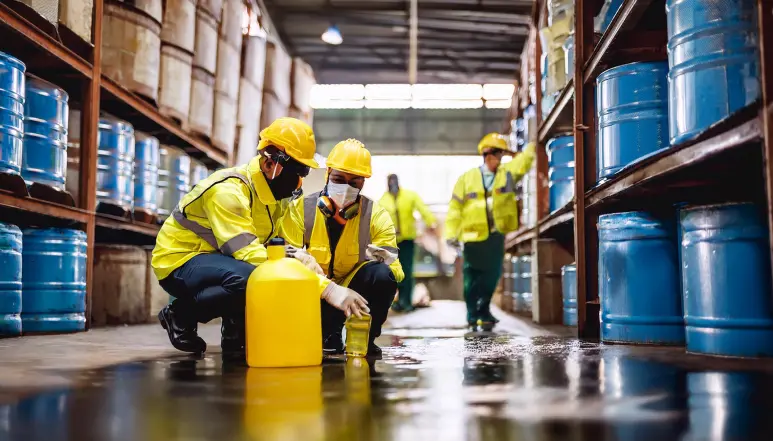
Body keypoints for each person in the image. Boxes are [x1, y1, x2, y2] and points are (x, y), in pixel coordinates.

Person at [151, 117, 325, 355]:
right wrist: (322, 286)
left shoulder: (279, 196)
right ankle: (180, 314)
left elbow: (284, 245)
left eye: (304, 172)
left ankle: (235, 336)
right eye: (298, 170)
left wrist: (302, 261)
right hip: (180, 260)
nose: (300, 180)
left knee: (257, 273)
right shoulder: (229, 191)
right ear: (270, 163)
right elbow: (247, 253)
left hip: (221, 260)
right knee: (251, 277)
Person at [279, 138, 404, 357]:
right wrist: (328, 289)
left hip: (354, 296)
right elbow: (284, 262)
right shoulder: (300, 210)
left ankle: (366, 336)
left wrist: (371, 261)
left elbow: (396, 271)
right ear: (327, 173)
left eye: (354, 182)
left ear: (363, 182)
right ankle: (323, 330)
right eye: (338, 179)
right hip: (314, 292)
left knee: (382, 275)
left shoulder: (375, 215)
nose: (346, 188)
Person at [445, 133, 535, 331]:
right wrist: (451, 234)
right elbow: (454, 209)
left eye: (501, 155)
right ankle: (472, 313)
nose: (499, 159)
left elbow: (524, 162)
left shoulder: (507, 173)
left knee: (492, 275)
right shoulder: (466, 179)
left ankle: (484, 310)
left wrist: (533, 144)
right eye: (497, 155)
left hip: (495, 234)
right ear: (487, 155)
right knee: (472, 277)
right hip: (472, 236)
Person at [379, 174, 437, 312]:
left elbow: (422, 209)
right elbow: (378, 220)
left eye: (394, 181)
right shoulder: (383, 200)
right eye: (390, 182)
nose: (393, 184)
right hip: (391, 242)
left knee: (407, 270)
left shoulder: (409, 196)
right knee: (392, 272)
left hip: (407, 240)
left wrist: (431, 222)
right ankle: (397, 301)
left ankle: (407, 302)